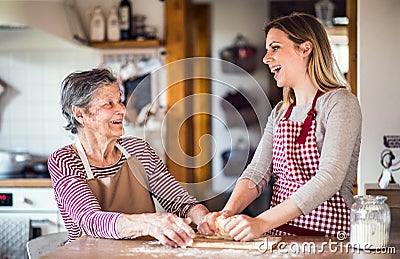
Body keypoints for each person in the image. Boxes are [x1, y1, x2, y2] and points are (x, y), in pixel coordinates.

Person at [198, 13, 362, 241]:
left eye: (274, 48)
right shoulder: (280, 112)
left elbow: (329, 178)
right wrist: (226, 215)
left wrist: (261, 222)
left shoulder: (340, 103)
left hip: (328, 238)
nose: (266, 58)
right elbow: (257, 172)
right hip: (279, 235)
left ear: (305, 49)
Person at [48, 68, 209, 247]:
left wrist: (206, 219)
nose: (122, 109)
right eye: (109, 104)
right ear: (80, 114)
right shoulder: (64, 160)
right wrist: (148, 224)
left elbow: (179, 202)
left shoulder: (138, 150)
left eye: (120, 101)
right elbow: (90, 220)